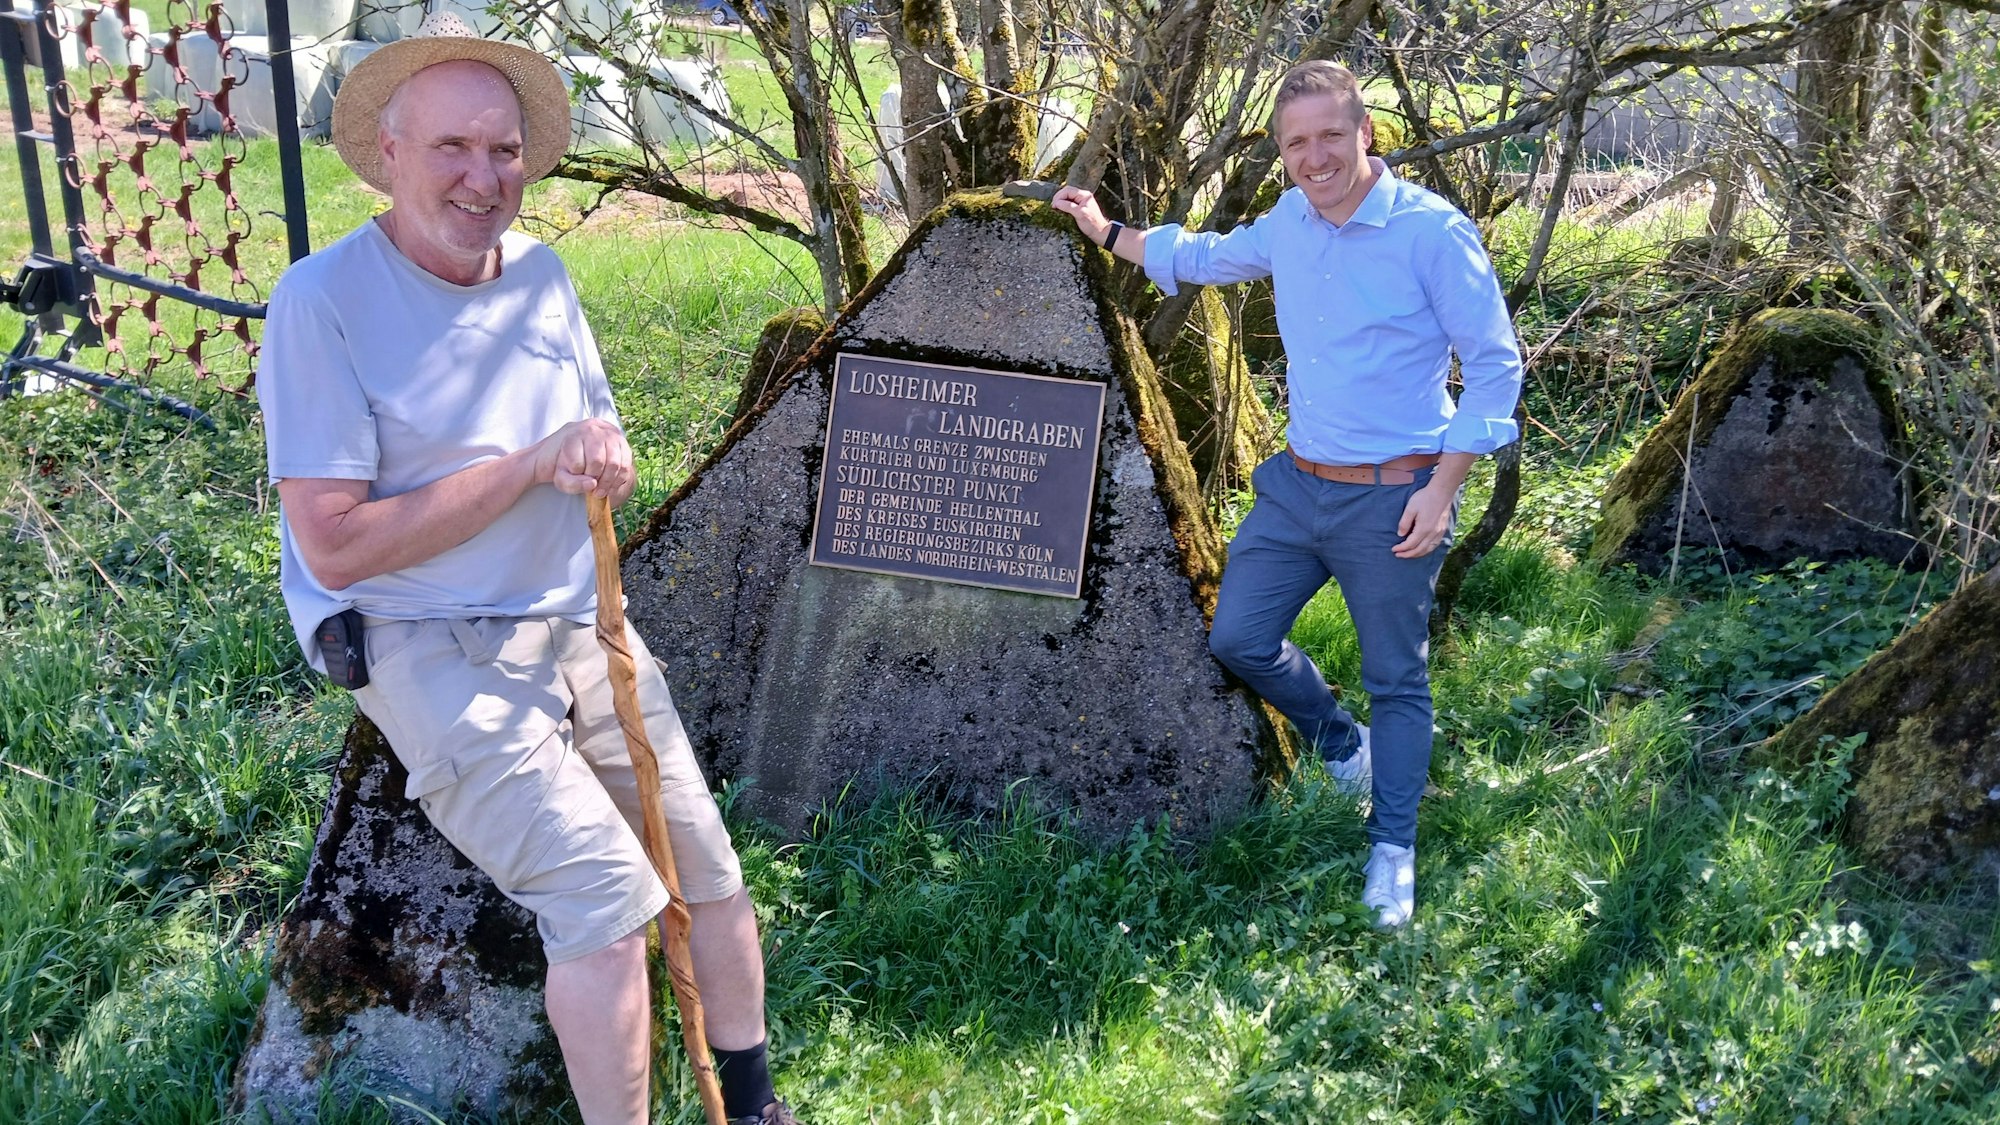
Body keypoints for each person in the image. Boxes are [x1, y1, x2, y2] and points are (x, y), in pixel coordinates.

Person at [256, 15, 800, 1125]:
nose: (482, 176)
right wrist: (527, 468)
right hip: (425, 638)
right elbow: (336, 543)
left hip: (581, 621)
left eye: (503, 151)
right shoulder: (321, 303)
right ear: (390, 151)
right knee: (602, 899)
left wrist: (602, 457)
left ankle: (752, 1107)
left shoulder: (543, 278)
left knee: (706, 870)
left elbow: (595, 444)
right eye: (452, 147)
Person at [1052, 60, 1522, 929]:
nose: (1315, 158)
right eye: (1296, 143)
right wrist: (1106, 228)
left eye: (1330, 137)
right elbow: (1204, 257)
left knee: (1397, 678)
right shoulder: (1291, 221)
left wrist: (1444, 486)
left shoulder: (1432, 233)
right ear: (1281, 151)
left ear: (1365, 132)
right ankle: (1344, 747)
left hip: (1396, 496)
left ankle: (1394, 849)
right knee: (1237, 635)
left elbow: (1497, 367)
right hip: (1299, 489)